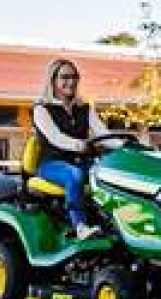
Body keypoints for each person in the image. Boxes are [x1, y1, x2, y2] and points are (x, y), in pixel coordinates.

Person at [33, 58, 110, 239]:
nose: (71, 81)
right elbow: (55, 138)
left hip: (82, 161)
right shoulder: (42, 109)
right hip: (51, 164)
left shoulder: (84, 108)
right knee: (74, 174)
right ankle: (80, 226)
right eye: (65, 77)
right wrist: (79, 145)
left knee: (111, 172)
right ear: (53, 80)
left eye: (75, 77)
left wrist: (129, 145)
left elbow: (103, 133)